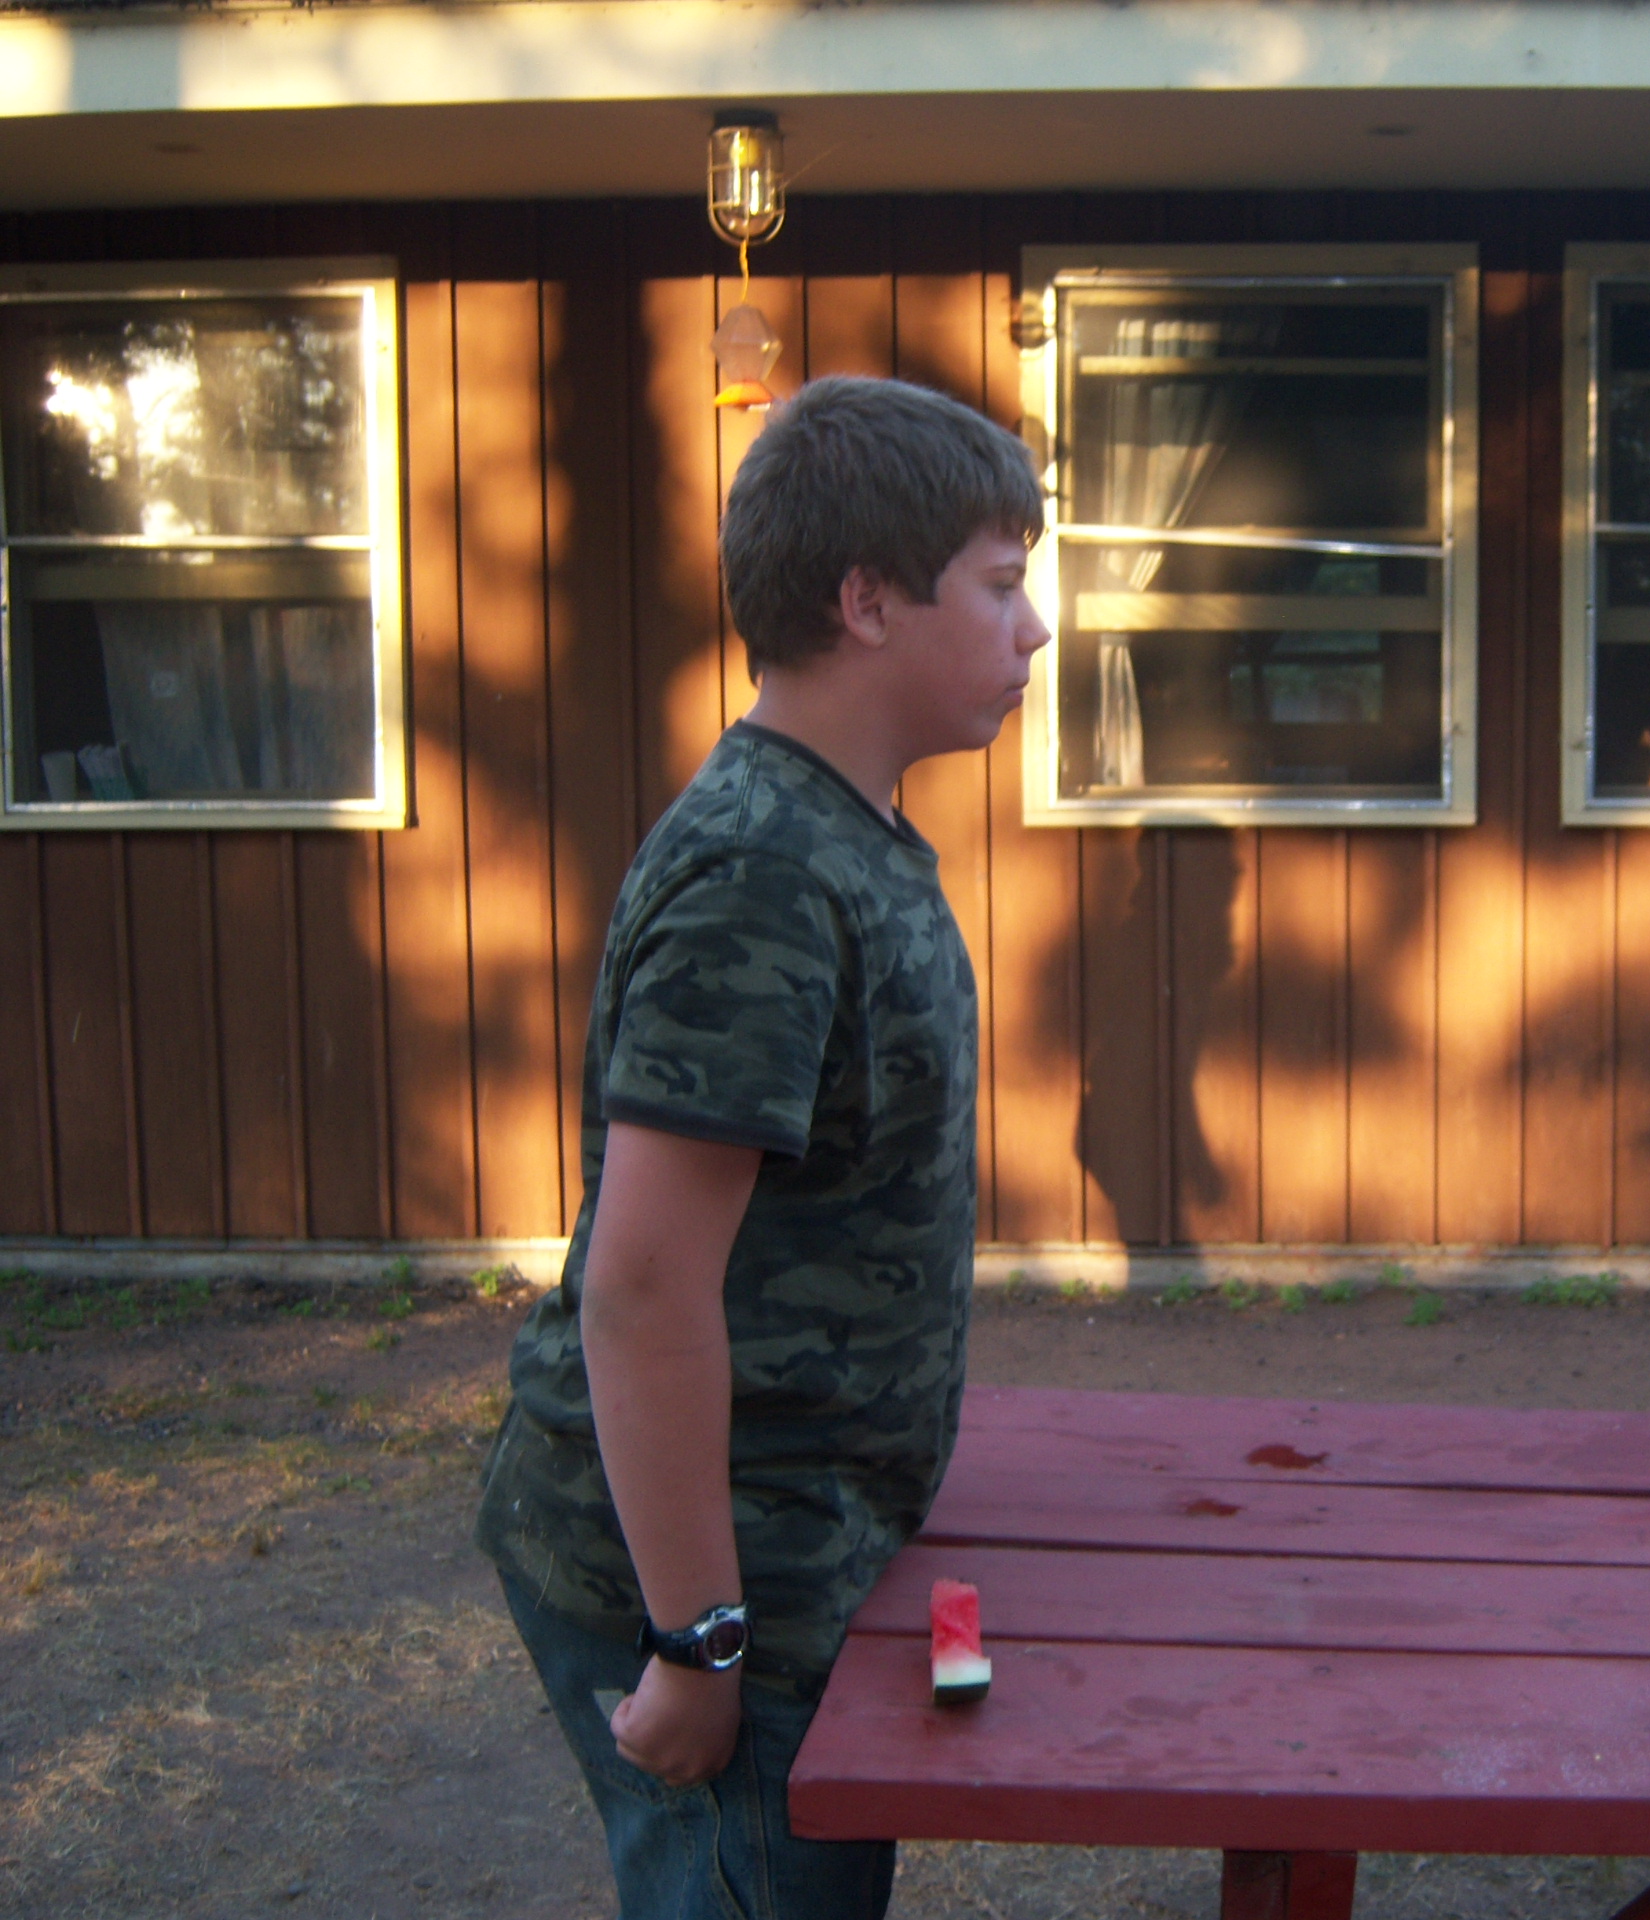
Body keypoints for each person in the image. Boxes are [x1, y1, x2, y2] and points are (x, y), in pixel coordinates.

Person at [475, 376, 1048, 1920]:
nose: (1036, 629)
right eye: (1001, 585)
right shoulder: (763, 875)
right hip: (708, 1574)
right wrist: (697, 1642)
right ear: (867, 602)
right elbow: (643, 1292)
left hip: (800, 1536)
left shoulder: (841, 831)